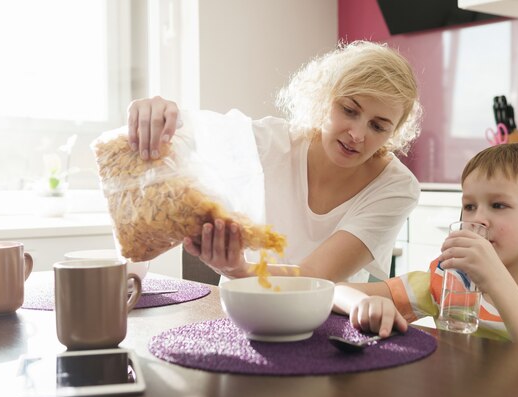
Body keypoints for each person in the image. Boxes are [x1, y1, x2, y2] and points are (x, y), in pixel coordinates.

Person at [126, 41, 423, 283]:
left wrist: (239, 270)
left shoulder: (396, 187)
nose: (358, 134)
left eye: (378, 126)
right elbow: (188, 132)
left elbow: (314, 276)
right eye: (349, 110)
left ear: (394, 133)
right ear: (325, 98)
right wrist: (159, 112)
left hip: (327, 327)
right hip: (240, 312)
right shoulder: (271, 143)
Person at [334, 143, 518, 359]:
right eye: (470, 206)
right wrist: (362, 303)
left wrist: (496, 280)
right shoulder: (450, 279)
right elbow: (331, 291)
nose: (478, 219)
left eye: (498, 205)